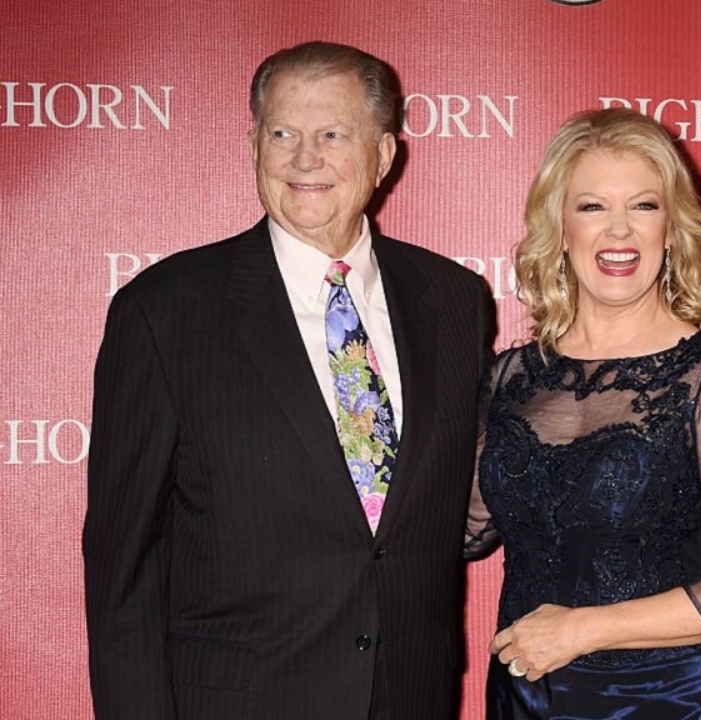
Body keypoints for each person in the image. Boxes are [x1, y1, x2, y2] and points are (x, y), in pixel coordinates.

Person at [83, 41, 495, 720]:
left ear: (384, 155)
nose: (306, 158)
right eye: (283, 134)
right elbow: (123, 565)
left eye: (333, 134)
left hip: (407, 696)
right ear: (254, 147)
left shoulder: (453, 299)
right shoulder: (165, 309)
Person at [464, 107, 701, 719]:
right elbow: (466, 531)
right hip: (524, 692)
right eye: (592, 207)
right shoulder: (511, 377)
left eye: (643, 206)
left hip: (666, 698)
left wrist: (584, 630)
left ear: (673, 226)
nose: (619, 232)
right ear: (559, 225)